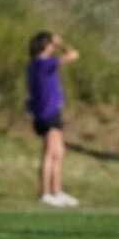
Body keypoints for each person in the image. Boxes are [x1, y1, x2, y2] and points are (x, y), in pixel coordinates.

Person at [26, 32, 80, 208]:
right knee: (49, 152)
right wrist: (60, 44)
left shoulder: (35, 64)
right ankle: (45, 192)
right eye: (49, 43)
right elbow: (73, 55)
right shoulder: (42, 63)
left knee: (58, 152)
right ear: (45, 45)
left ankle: (57, 191)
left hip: (52, 110)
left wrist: (55, 44)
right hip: (46, 112)